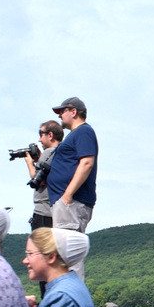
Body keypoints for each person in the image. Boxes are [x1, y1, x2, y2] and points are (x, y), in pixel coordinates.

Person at [48, 97, 98, 279]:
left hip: (71, 202)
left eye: (62, 111)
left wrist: (67, 195)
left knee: (68, 254)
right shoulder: (76, 135)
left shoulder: (83, 132)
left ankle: (72, 302)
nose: (60, 115)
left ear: (74, 111)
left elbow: (86, 162)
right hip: (66, 202)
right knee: (64, 253)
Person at [27, 120, 64, 231]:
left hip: (43, 212)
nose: (39, 140)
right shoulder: (62, 152)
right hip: (57, 213)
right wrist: (40, 160)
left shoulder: (48, 153)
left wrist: (29, 162)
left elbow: (38, 180)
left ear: (50, 135)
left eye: (41, 135)